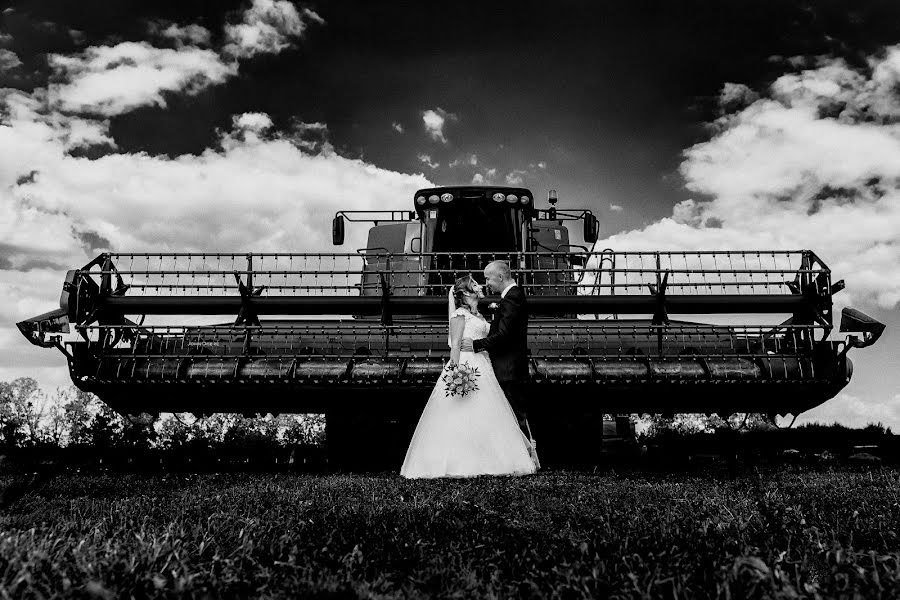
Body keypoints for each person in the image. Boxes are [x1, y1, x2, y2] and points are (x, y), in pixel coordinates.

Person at [400, 274, 538, 478]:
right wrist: (454, 372)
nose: (480, 285)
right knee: (460, 412)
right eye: (474, 284)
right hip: (466, 364)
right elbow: (455, 345)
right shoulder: (458, 315)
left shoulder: (481, 316)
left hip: (484, 365)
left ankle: (490, 458)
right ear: (465, 293)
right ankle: (459, 461)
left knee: (489, 413)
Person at [461, 260, 532, 442]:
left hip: (509, 370)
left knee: (516, 417)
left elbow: (504, 335)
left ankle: (526, 457)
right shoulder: (511, 297)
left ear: (500, 277)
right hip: (508, 369)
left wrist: (476, 345)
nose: (486, 284)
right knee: (509, 416)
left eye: (488, 279)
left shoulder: (512, 298)